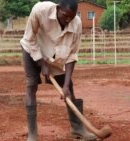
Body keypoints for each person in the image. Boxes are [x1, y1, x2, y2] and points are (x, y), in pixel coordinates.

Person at [20, 0, 97, 140]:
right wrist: (42, 64)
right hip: (32, 49)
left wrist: (66, 85)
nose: (68, 20)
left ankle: (78, 129)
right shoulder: (40, 10)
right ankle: (32, 135)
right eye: (65, 15)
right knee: (31, 85)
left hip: (55, 55)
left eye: (71, 17)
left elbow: (72, 55)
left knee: (70, 88)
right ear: (58, 8)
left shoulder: (76, 23)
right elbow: (29, 39)